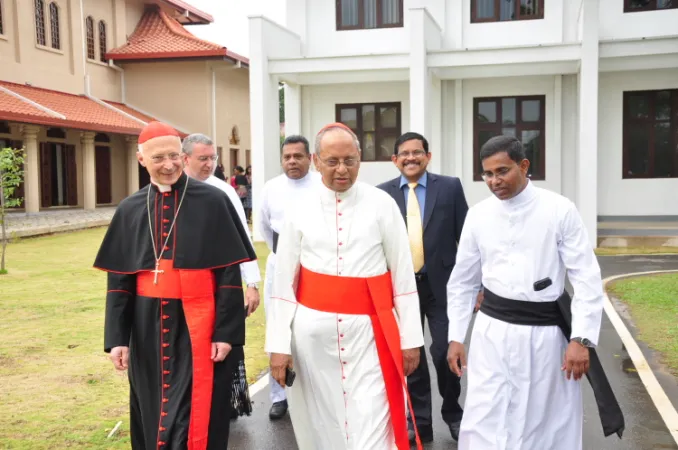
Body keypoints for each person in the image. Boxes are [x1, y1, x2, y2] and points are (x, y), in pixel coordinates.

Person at [445, 135, 624, 450]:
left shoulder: (559, 209)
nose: (494, 181)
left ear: (524, 165)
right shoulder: (479, 215)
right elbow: (463, 281)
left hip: (543, 337)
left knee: (545, 419)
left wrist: (581, 339)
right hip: (491, 334)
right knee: (486, 413)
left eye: (502, 171)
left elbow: (586, 278)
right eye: (487, 174)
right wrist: (457, 336)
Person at [93, 121, 257, 449]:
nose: (168, 165)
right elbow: (119, 282)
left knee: (193, 414)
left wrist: (226, 333)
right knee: (154, 410)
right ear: (142, 160)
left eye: (173, 156)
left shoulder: (213, 201)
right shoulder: (129, 209)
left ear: (183, 156)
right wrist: (117, 339)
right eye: (158, 159)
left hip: (200, 323)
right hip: (146, 328)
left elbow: (227, 275)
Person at [265, 123, 425, 450]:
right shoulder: (298, 209)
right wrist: (278, 346)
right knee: (323, 427)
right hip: (312, 341)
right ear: (316, 160)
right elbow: (283, 283)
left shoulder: (381, 204)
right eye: (332, 161)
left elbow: (403, 276)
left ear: (360, 159)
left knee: (373, 425)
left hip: (370, 335)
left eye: (350, 161)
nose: (342, 170)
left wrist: (411, 339)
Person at [377, 131, 468, 443]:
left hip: (442, 287)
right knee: (411, 357)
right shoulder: (382, 194)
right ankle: (420, 421)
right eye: (404, 153)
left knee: (445, 353)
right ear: (395, 160)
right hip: (402, 290)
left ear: (428, 157)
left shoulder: (451, 187)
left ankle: (453, 413)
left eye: (417, 152)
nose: (411, 158)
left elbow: (467, 240)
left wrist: (476, 284)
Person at [182, 133, 262, 419]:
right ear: (185, 158)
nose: (209, 164)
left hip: (221, 283)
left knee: (222, 341)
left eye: (213, 158)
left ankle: (225, 403)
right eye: (203, 159)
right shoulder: (174, 190)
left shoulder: (223, 192)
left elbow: (244, 238)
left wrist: (251, 284)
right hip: (184, 287)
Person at [256, 134, 321, 420]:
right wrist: (283, 257)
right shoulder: (271, 188)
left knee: (314, 329)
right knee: (278, 328)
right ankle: (279, 395)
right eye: (287, 157)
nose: (292, 161)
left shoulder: (322, 185)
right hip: (280, 265)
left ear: (310, 158)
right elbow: (265, 228)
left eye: (298, 156)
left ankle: (316, 394)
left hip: (316, 265)